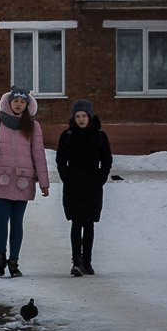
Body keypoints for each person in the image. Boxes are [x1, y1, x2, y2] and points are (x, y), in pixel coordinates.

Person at [0, 88, 50, 277]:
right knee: (2, 221)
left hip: (23, 180)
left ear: (27, 105)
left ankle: (14, 262)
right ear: (9, 102)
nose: (19, 104)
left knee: (17, 222)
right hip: (2, 178)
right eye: (16, 101)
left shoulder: (33, 126)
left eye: (22, 101)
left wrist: (43, 182)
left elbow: (38, 154)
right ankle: (0, 259)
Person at [56, 98, 112, 277]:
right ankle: (76, 261)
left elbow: (107, 160)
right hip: (73, 186)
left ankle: (87, 262)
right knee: (76, 223)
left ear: (90, 116)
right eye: (77, 116)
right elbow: (60, 160)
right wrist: (67, 178)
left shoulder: (99, 136)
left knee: (89, 224)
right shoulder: (68, 135)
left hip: (92, 186)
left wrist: (101, 178)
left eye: (84, 115)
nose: (81, 119)